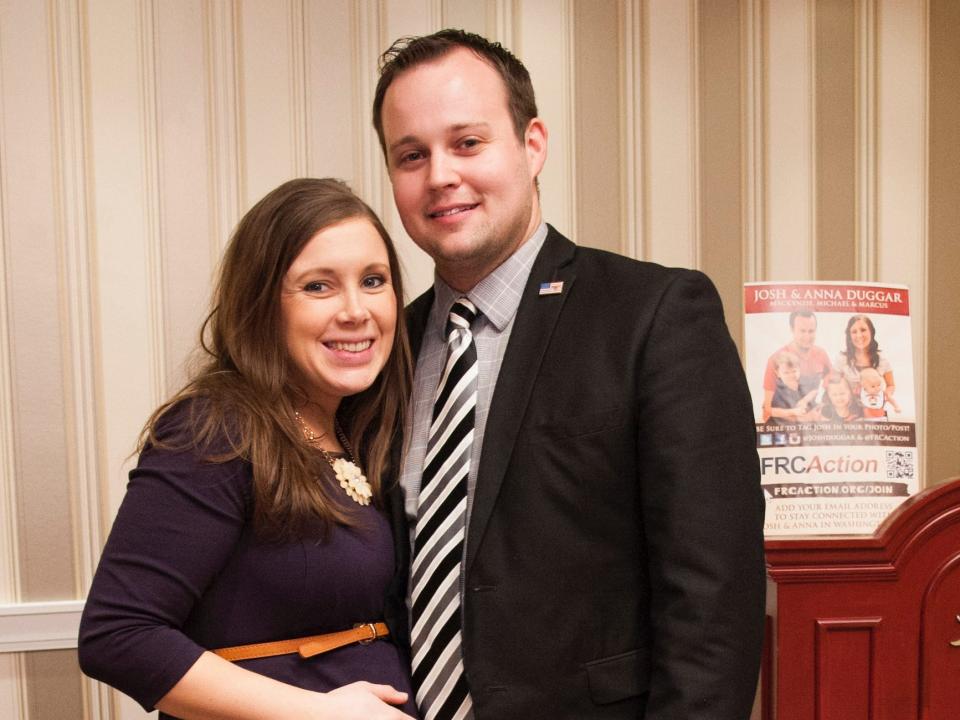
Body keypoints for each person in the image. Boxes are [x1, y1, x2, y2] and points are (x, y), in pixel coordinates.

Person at [372, 29, 765, 720]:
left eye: (467, 143)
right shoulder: (387, 349)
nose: (439, 175)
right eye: (412, 155)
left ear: (532, 145)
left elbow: (713, 598)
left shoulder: (655, 314)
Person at [78, 178, 418, 719]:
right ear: (263, 304)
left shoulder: (356, 433)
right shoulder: (216, 429)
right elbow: (118, 635)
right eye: (318, 286)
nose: (357, 310)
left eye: (373, 281)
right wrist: (322, 714)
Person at [760, 309, 832, 422]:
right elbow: (767, 409)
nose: (807, 336)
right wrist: (799, 417)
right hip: (784, 426)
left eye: (811, 331)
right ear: (792, 330)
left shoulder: (821, 354)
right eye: (802, 331)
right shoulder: (775, 360)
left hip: (813, 425)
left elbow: (831, 386)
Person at [834, 314, 900, 410]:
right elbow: (834, 385)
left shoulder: (882, 359)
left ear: (871, 332)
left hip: (874, 409)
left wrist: (885, 396)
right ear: (849, 336)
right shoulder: (841, 359)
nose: (859, 335)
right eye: (854, 332)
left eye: (863, 330)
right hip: (849, 411)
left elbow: (891, 385)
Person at [769, 351, 820, 424]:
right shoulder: (776, 389)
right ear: (778, 373)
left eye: (794, 371)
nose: (791, 375)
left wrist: (805, 400)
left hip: (806, 417)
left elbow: (816, 390)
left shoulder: (804, 380)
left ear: (799, 369)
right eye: (786, 372)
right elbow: (770, 411)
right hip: (785, 422)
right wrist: (793, 412)